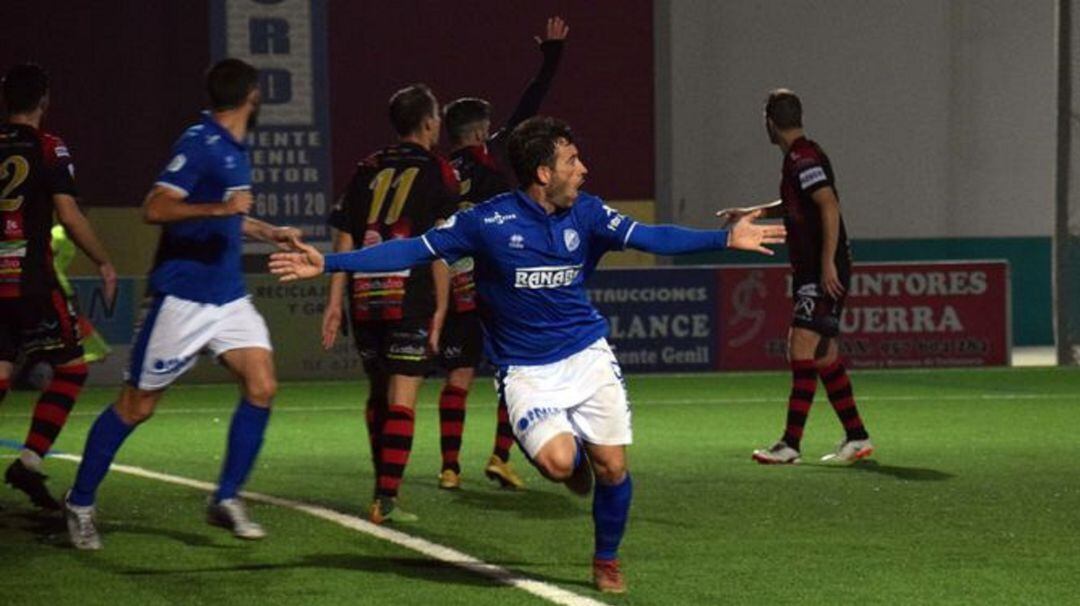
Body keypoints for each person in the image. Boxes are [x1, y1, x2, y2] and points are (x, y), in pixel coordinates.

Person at [271, 116, 785, 594]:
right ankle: (572, 456)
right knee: (561, 465)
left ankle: (606, 558)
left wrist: (724, 238)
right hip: (525, 370)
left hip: (586, 354)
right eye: (571, 161)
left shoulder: (586, 212)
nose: (582, 169)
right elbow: (415, 249)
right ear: (544, 173)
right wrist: (329, 262)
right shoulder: (487, 222)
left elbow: (653, 236)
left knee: (613, 468)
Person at [63, 58, 303, 550]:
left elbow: (230, 219)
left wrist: (268, 232)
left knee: (262, 384)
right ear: (251, 95)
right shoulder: (200, 142)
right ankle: (80, 501)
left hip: (228, 296)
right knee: (136, 407)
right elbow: (154, 206)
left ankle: (226, 497)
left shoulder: (235, 148)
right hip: (182, 298)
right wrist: (221, 208)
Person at [435, 16, 569, 491]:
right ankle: (498, 456)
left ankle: (449, 468)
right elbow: (530, 106)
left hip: (451, 282)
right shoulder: (491, 157)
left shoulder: (440, 172)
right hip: (496, 281)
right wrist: (552, 56)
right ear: (480, 133)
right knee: (517, 369)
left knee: (459, 372)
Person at [320, 83, 459, 524]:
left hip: (364, 293)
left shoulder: (367, 167)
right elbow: (440, 242)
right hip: (409, 292)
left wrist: (334, 302)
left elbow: (345, 235)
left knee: (378, 393)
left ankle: (382, 486)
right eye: (436, 117)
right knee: (402, 396)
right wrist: (441, 306)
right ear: (427, 123)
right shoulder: (440, 171)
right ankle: (386, 498)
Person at [717, 89, 873, 465]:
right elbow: (799, 202)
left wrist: (828, 264)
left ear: (770, 123)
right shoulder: (800, 157)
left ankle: (790, 444)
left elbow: (829, 204)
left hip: (820, 271)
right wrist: (753, 211)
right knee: (823, 354)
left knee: (800, 346)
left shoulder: (803, 159)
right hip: (816, 268)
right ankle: (857, 438)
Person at [0, 63, 117, 510]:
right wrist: (104, 260)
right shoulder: (48, 147)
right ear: (44, 100)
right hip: (30, 279)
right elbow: (68, 215)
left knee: (3, 372)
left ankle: (27, 466)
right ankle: (28, 462)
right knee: (71, 368)